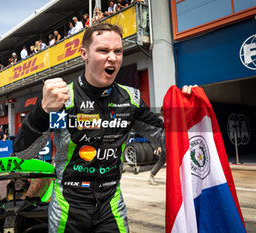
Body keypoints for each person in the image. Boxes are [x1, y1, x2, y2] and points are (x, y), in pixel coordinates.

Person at [13, 23, 193, 232]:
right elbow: (24, 153)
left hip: (110, 205)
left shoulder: (131, 99)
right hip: (69, 206)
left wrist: (187, 115)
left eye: (118, 51)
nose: (113, 57)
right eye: (103, 50)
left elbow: (171, 142)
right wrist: (43, 111)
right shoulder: (63, 98)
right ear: (84, 54)